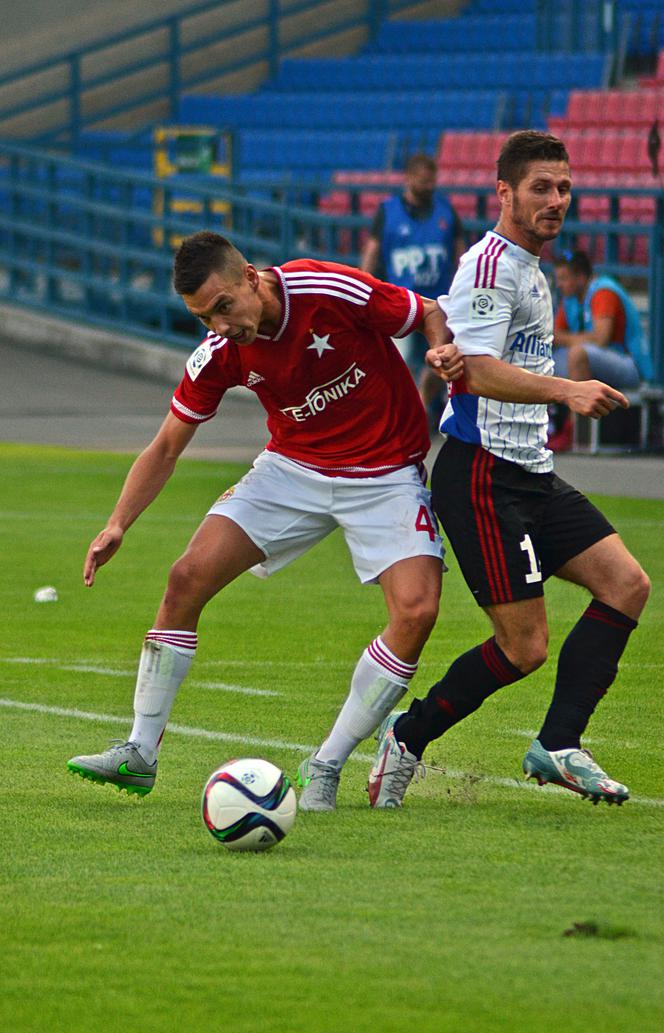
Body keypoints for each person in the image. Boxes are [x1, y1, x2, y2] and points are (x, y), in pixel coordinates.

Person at [67, 231, 463, 811]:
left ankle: (327, 762)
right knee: (185, 579)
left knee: (417, 610)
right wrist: (117, 523)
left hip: (385, 474)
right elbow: (167, 447)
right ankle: (139, 753)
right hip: (293, 470)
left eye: (224, 306)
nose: (220, 325)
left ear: (251, 277)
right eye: (204, 317)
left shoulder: (327, 289)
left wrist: (443, 354)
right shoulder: (220, 353)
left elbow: (425, 311)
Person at [366, 131, 650, 809]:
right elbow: (482, 372)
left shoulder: (532, 267)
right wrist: (569, 391)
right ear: (504, 193)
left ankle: (558, 743)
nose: (556, 201)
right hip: (482, 476)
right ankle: (406, 736)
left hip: (530, 469)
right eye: (540, 188)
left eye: (563, 188)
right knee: (524, 647)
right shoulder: (491, 266)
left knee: (627, 585)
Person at [361, 152, 464, 423]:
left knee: (439, 359)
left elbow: (459, 254)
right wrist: (364, 288)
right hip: (400, 302)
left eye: (432, 181)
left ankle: (422, 406)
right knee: (399, 360)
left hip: (438, 302)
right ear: (408, 178)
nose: (429, 186)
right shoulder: (388, 212)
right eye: (423, 181)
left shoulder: (446, 212)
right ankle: (399, 414)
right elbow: (372, 253)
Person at [548, 250, 651, 451]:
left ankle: (574, 429)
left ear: (580, 277)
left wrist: (567, 339)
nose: (559, 284)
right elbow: (553, 337)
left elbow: (601, 338)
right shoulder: (569, 298)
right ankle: (546, 427)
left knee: (578, 354)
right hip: (596, 360)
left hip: (628, 365)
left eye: (564, 278)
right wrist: (569, 339)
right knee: (539, 359)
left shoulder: (603, 292)